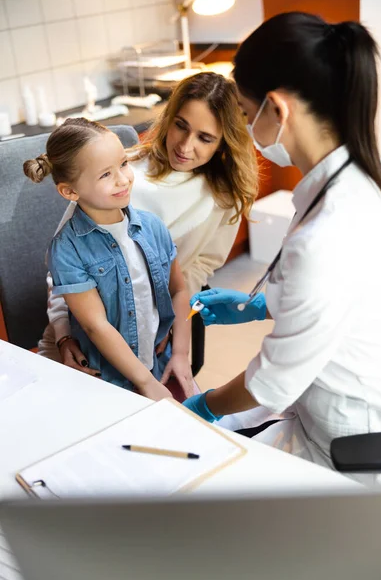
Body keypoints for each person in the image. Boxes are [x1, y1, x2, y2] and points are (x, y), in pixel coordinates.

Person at [183, 12, 381, 469]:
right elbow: (347, 295)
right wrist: (263, 304)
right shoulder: (360, 176)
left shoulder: (330, 232)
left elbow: (269, 384)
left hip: (348, 439)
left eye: (243, 112)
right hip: (331, 396)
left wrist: (205, 407)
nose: (244, 127)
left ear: (277, 110)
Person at [38, 72, 258, 390]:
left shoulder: (225, 197)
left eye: (205, 138)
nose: (185, 145)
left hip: (152, 337)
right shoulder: (121, 175)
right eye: (180, 125)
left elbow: (198, 269)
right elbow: (60, 275)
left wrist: (167, 320)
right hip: (82, 338)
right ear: (169, 118)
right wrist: (63, 334)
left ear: (224, 143)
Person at [24, 118, 191, 401]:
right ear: (70, 191)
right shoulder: (67, 248)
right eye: (105, 175)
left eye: (123, 164)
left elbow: (179, 289)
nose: (123, 179)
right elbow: (95, 326)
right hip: (106, 379)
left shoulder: (152, 227)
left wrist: (182, 354)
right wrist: (146, 383)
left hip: (156, 361)